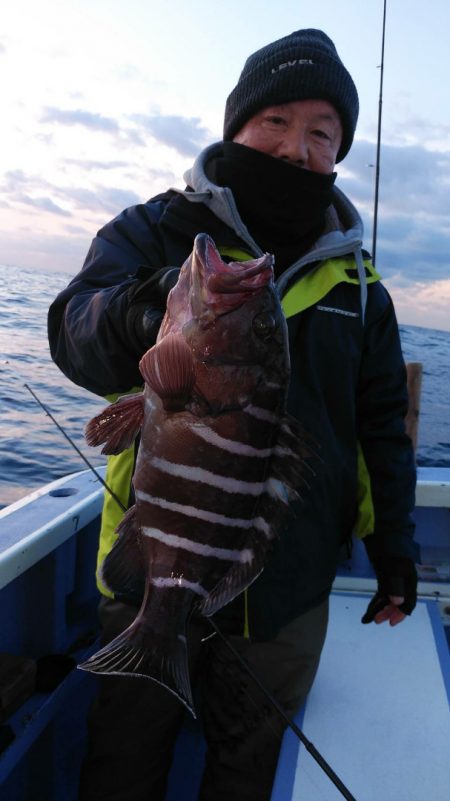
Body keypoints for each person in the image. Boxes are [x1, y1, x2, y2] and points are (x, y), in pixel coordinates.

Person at [48, 28, 420, 801]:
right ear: (237, 129)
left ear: (338, 154)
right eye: (276, 121)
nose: (296, 148)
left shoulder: (364, 292)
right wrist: (146, 309)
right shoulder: (154, 231)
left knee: (248, 768)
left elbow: (382, 428)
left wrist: (395, 551)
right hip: (149, 566)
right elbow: (73, 331)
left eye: (322, 133)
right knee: (123, 758)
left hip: (288, 591)